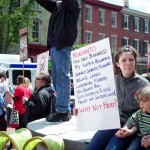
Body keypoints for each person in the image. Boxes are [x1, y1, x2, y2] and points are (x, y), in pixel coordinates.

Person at [85, 45, 150, 150]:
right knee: (92, 147)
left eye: (131, 60)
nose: (128, 63)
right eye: (123, 60)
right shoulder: (111, 81)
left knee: (111, 148)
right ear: (117, 63)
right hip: (112, 122)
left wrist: (132, 129)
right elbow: (98, 103)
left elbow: (147, 113)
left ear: (135, 62)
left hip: (132, 126)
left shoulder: (144, 84)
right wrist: (82, 111)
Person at [35, 0, 81, 122]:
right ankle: (62, 110)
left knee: (61, 76)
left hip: (63, 44)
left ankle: (63, 110)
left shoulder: (73, 4)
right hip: (55, 45)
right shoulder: (57, 6)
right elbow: (46, 3)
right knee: (56, 77)